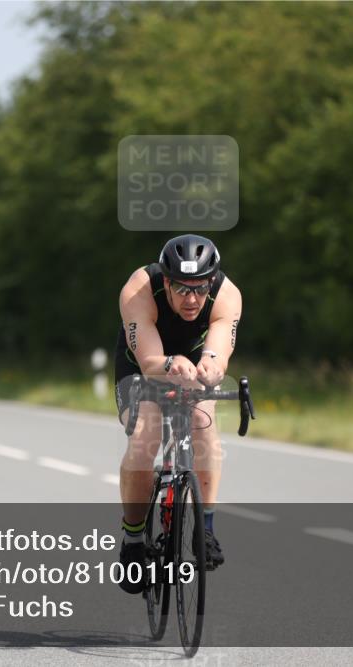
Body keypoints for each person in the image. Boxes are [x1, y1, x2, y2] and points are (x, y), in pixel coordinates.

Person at [113, 234, 242, 593]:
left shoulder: (227, 294)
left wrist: (212, 368)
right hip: (143, 364)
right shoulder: (140, 289)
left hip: (193, 363)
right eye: (182, 289)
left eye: (200, 289)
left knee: (204, 423)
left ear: (211, 282)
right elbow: (150, 361)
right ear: (166, 281)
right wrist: (170, 362)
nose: (192, 299)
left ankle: (207, 528)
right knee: (144, 437)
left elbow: (218, 352)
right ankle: (134, 541)